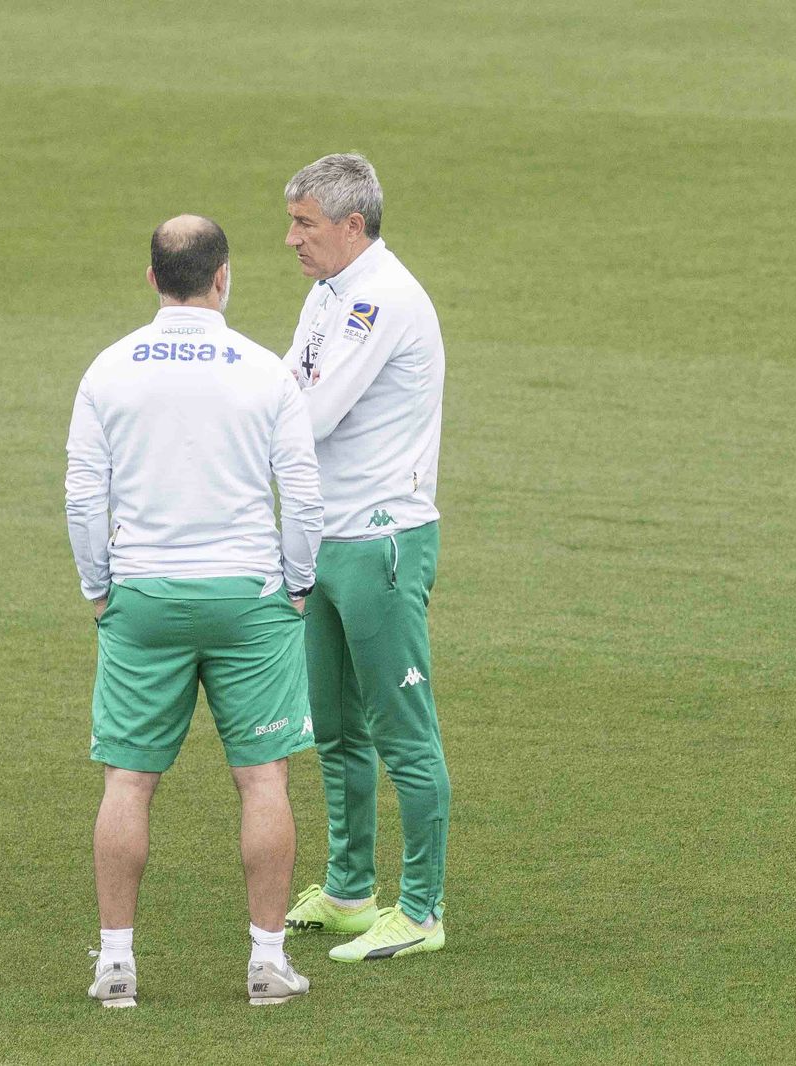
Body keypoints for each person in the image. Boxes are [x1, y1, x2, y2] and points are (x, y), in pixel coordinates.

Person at [65, 216, 324, 1007]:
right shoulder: (265, 371)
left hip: (144, 596)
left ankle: (116, 962)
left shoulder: (108, 369)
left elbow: (84, 496)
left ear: (152, 279)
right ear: (223, 278)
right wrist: (297, 581)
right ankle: (268, 962)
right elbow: (302, 494)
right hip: (248, 597)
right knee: (263, 777)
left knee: (128, 781)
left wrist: (100, 587)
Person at [278, 153, 450, 961]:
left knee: (402, 733)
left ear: (353, 225)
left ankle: (420, 912)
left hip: (381, 540)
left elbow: (309, 414)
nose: (291, 239)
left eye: (304, 224)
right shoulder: (327, 291)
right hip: (325, 537)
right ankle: (350, 891)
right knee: (338, 728)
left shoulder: (382, 299)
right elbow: (288, 385)